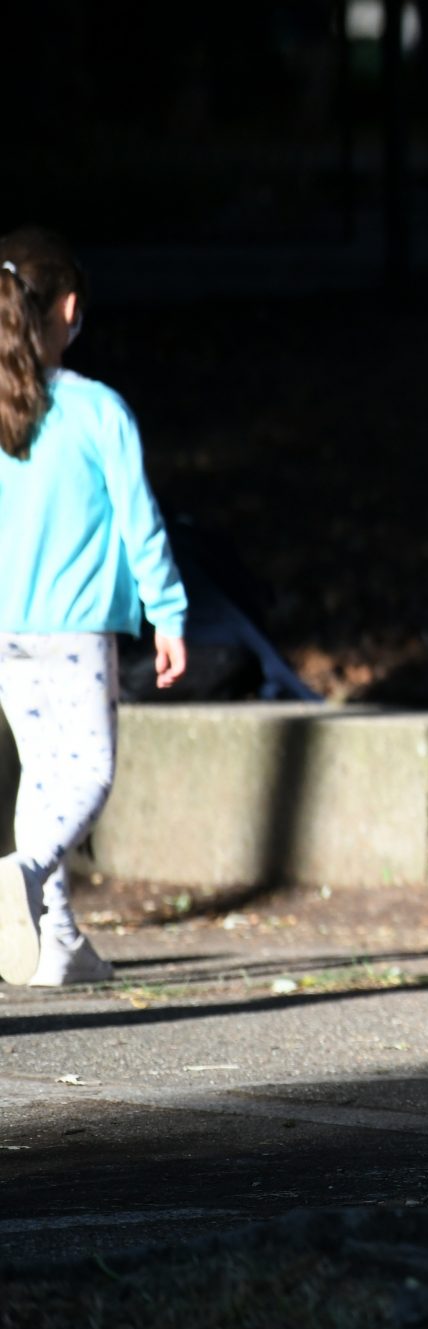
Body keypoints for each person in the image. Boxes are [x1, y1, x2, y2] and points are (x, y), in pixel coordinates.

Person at [0, 228, 189, 988]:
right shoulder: (97, 409)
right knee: (90, 773)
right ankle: (24, 870)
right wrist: (168, 611)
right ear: (70, 308)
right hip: (75, 628)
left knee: (44, 775)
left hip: (6, 630)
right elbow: (140, 522)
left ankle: (58, 943)